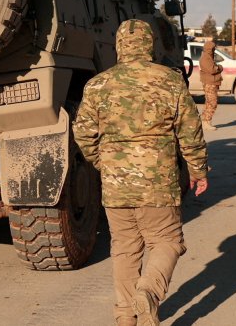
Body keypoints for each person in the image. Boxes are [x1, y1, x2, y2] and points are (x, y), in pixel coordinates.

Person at [74, 20, 209, 326]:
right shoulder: (170, 81)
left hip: (115, 186)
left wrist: (105, 163)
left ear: (119, 46)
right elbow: (190, 131)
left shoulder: (97, 85)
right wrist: (198, 169)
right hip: (158, 184)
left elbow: (83, 134)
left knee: (124, 249)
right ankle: (148, 291)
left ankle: (125, 317)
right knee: (168, 241)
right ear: (149, 45)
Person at [199, 39, 224, 131]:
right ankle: (206, 122)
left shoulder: (208, 57)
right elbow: (212, 70)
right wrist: (220, 68)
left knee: (209, 103)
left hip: (212, 82)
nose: (214, 51)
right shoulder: (205, 58)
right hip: (209, 83)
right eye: (213, 49)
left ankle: (205, 121)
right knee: (212, 103)